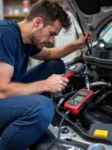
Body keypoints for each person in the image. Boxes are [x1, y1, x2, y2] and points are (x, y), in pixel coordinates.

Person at [0, 0, 91, 150]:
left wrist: (75, 44)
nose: (51, 41)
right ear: (37, 23)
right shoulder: (6, 34)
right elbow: (2, 90)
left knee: (55, 65)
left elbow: (49, 54)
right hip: (2, 94)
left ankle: (39, 118)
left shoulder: (27, 40)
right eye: (51, 34)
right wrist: (45, 85)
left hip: (7, 92)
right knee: (42, 107)